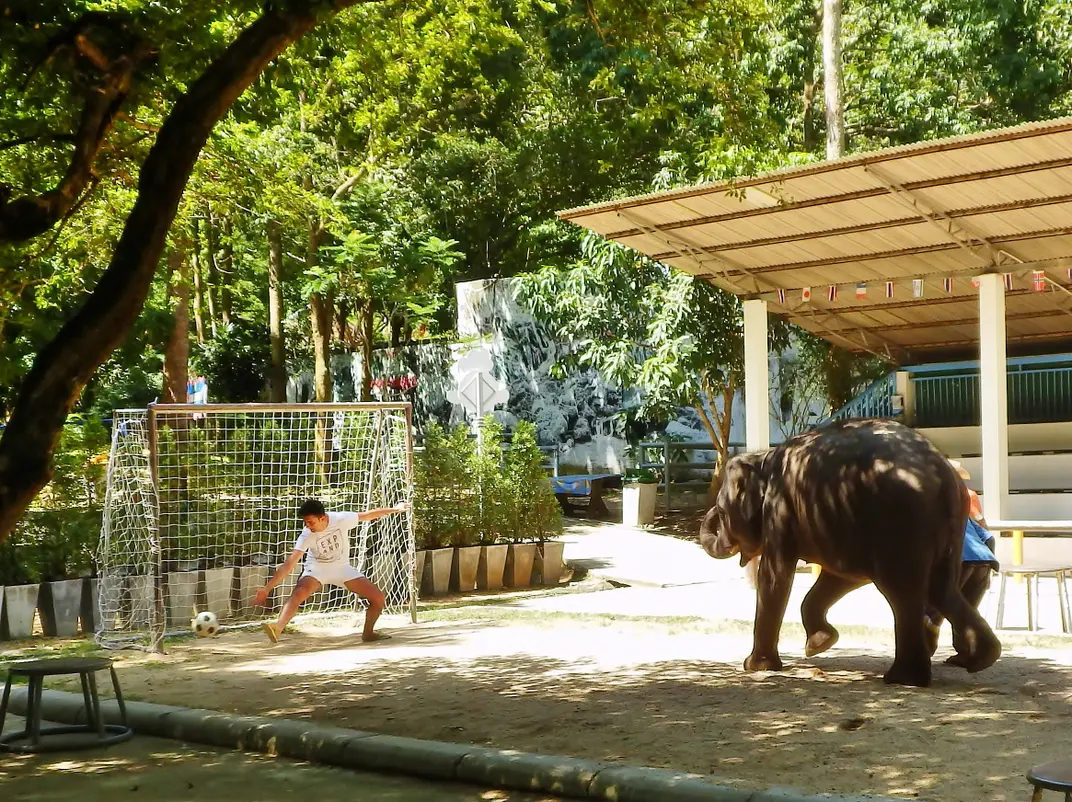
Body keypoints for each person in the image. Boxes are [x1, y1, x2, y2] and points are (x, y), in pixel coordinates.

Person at [253, 498, 409, 644]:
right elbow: (289, 564)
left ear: (323, 518)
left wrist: (396, 509)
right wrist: (267, 589)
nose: (308, 525)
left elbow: (368, 515)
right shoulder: (306, 535)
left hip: (342, 568)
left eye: (311, 522)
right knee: (299, 592)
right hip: (316, 568)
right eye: (305, 522)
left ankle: (368, 633)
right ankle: (277, 628)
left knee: (378, 598)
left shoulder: (340, 519)